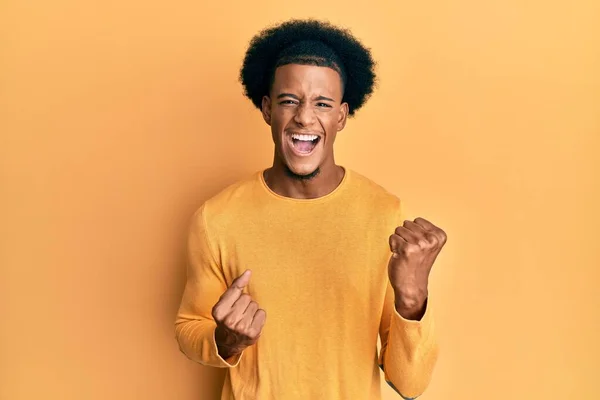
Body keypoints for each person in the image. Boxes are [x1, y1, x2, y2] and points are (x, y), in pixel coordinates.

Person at [175, 19, 446, 400]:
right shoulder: (216, 218)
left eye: (322, 103)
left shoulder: (383, 213)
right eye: (289, 100)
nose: (305, 116)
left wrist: (413, 300)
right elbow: (189, 328)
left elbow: (410, 384)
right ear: (268, 109)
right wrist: (225, 340)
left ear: (341, 116)